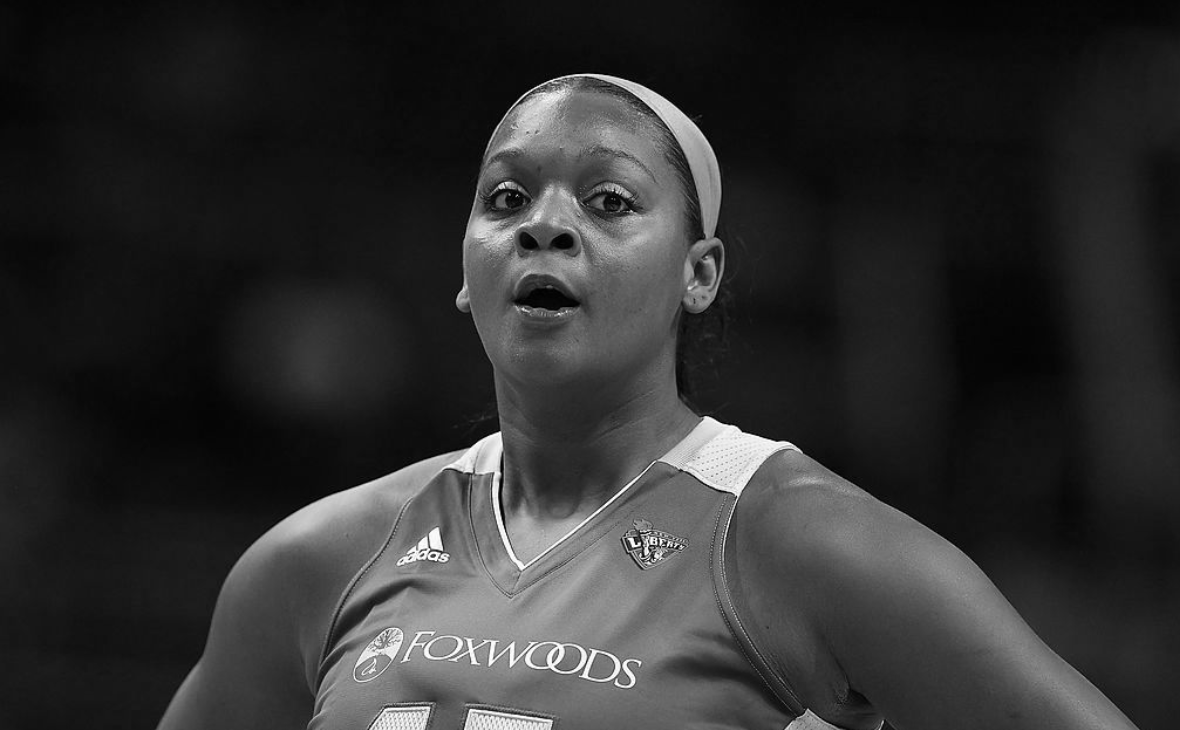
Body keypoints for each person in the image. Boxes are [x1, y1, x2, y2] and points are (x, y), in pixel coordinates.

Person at [157, 73, 1140, 730]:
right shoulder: (317, 562)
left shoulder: (807, 543)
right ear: (464, 273)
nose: (544, 227)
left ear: (698, 274)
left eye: (609, 202)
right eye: (506, 200)